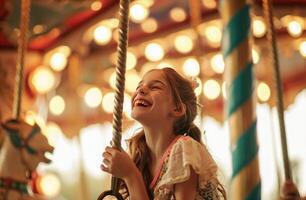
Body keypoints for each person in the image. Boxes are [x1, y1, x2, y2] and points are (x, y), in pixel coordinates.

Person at [101, 67, 226, 200]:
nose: (140, 90)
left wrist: (131, 176)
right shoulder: (139, 157)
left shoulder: (184, 151)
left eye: (155, 87)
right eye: (139, 86)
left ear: (177, 109)